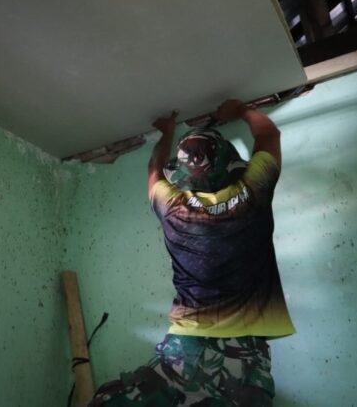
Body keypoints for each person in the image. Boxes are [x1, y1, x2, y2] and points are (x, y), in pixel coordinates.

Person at [89, 100, 295, 406]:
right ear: (229, 164)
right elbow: (268, 134)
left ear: (184, 173)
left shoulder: (171, 206)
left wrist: (166, 133)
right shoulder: (253, 192)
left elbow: (154, 167)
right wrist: (240, 110)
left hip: (183, 347)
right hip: (243, 355)